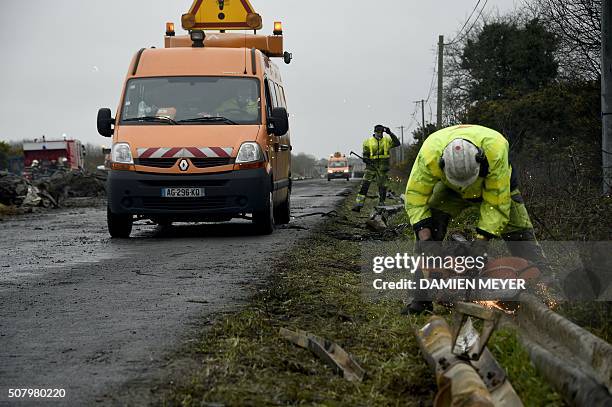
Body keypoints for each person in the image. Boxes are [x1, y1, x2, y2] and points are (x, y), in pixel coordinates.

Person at [403, 124, 548, 314]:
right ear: (441, 163)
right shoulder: (429, 153)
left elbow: (496, 205)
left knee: (520, 235)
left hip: (494, 186)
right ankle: (420, 298)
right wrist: (426, 239)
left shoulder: (496, 149)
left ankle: (546, 289)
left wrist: (480, 245)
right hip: (450, 189)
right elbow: (415, 197)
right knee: (429, 228)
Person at [352, 125, 401, 211]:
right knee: (364, 186)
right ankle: (358, 205)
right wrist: (366, 159)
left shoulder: (387, 140)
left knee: (382, 187)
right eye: (378, 132)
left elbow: (397, 143)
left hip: (383, 168)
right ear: (374, 132)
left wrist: (390, 133)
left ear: (383, 132)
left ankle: (381, 204)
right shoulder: (368, 142)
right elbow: (365, 154)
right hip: (370, 168)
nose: (379, 134)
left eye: (381, 132)